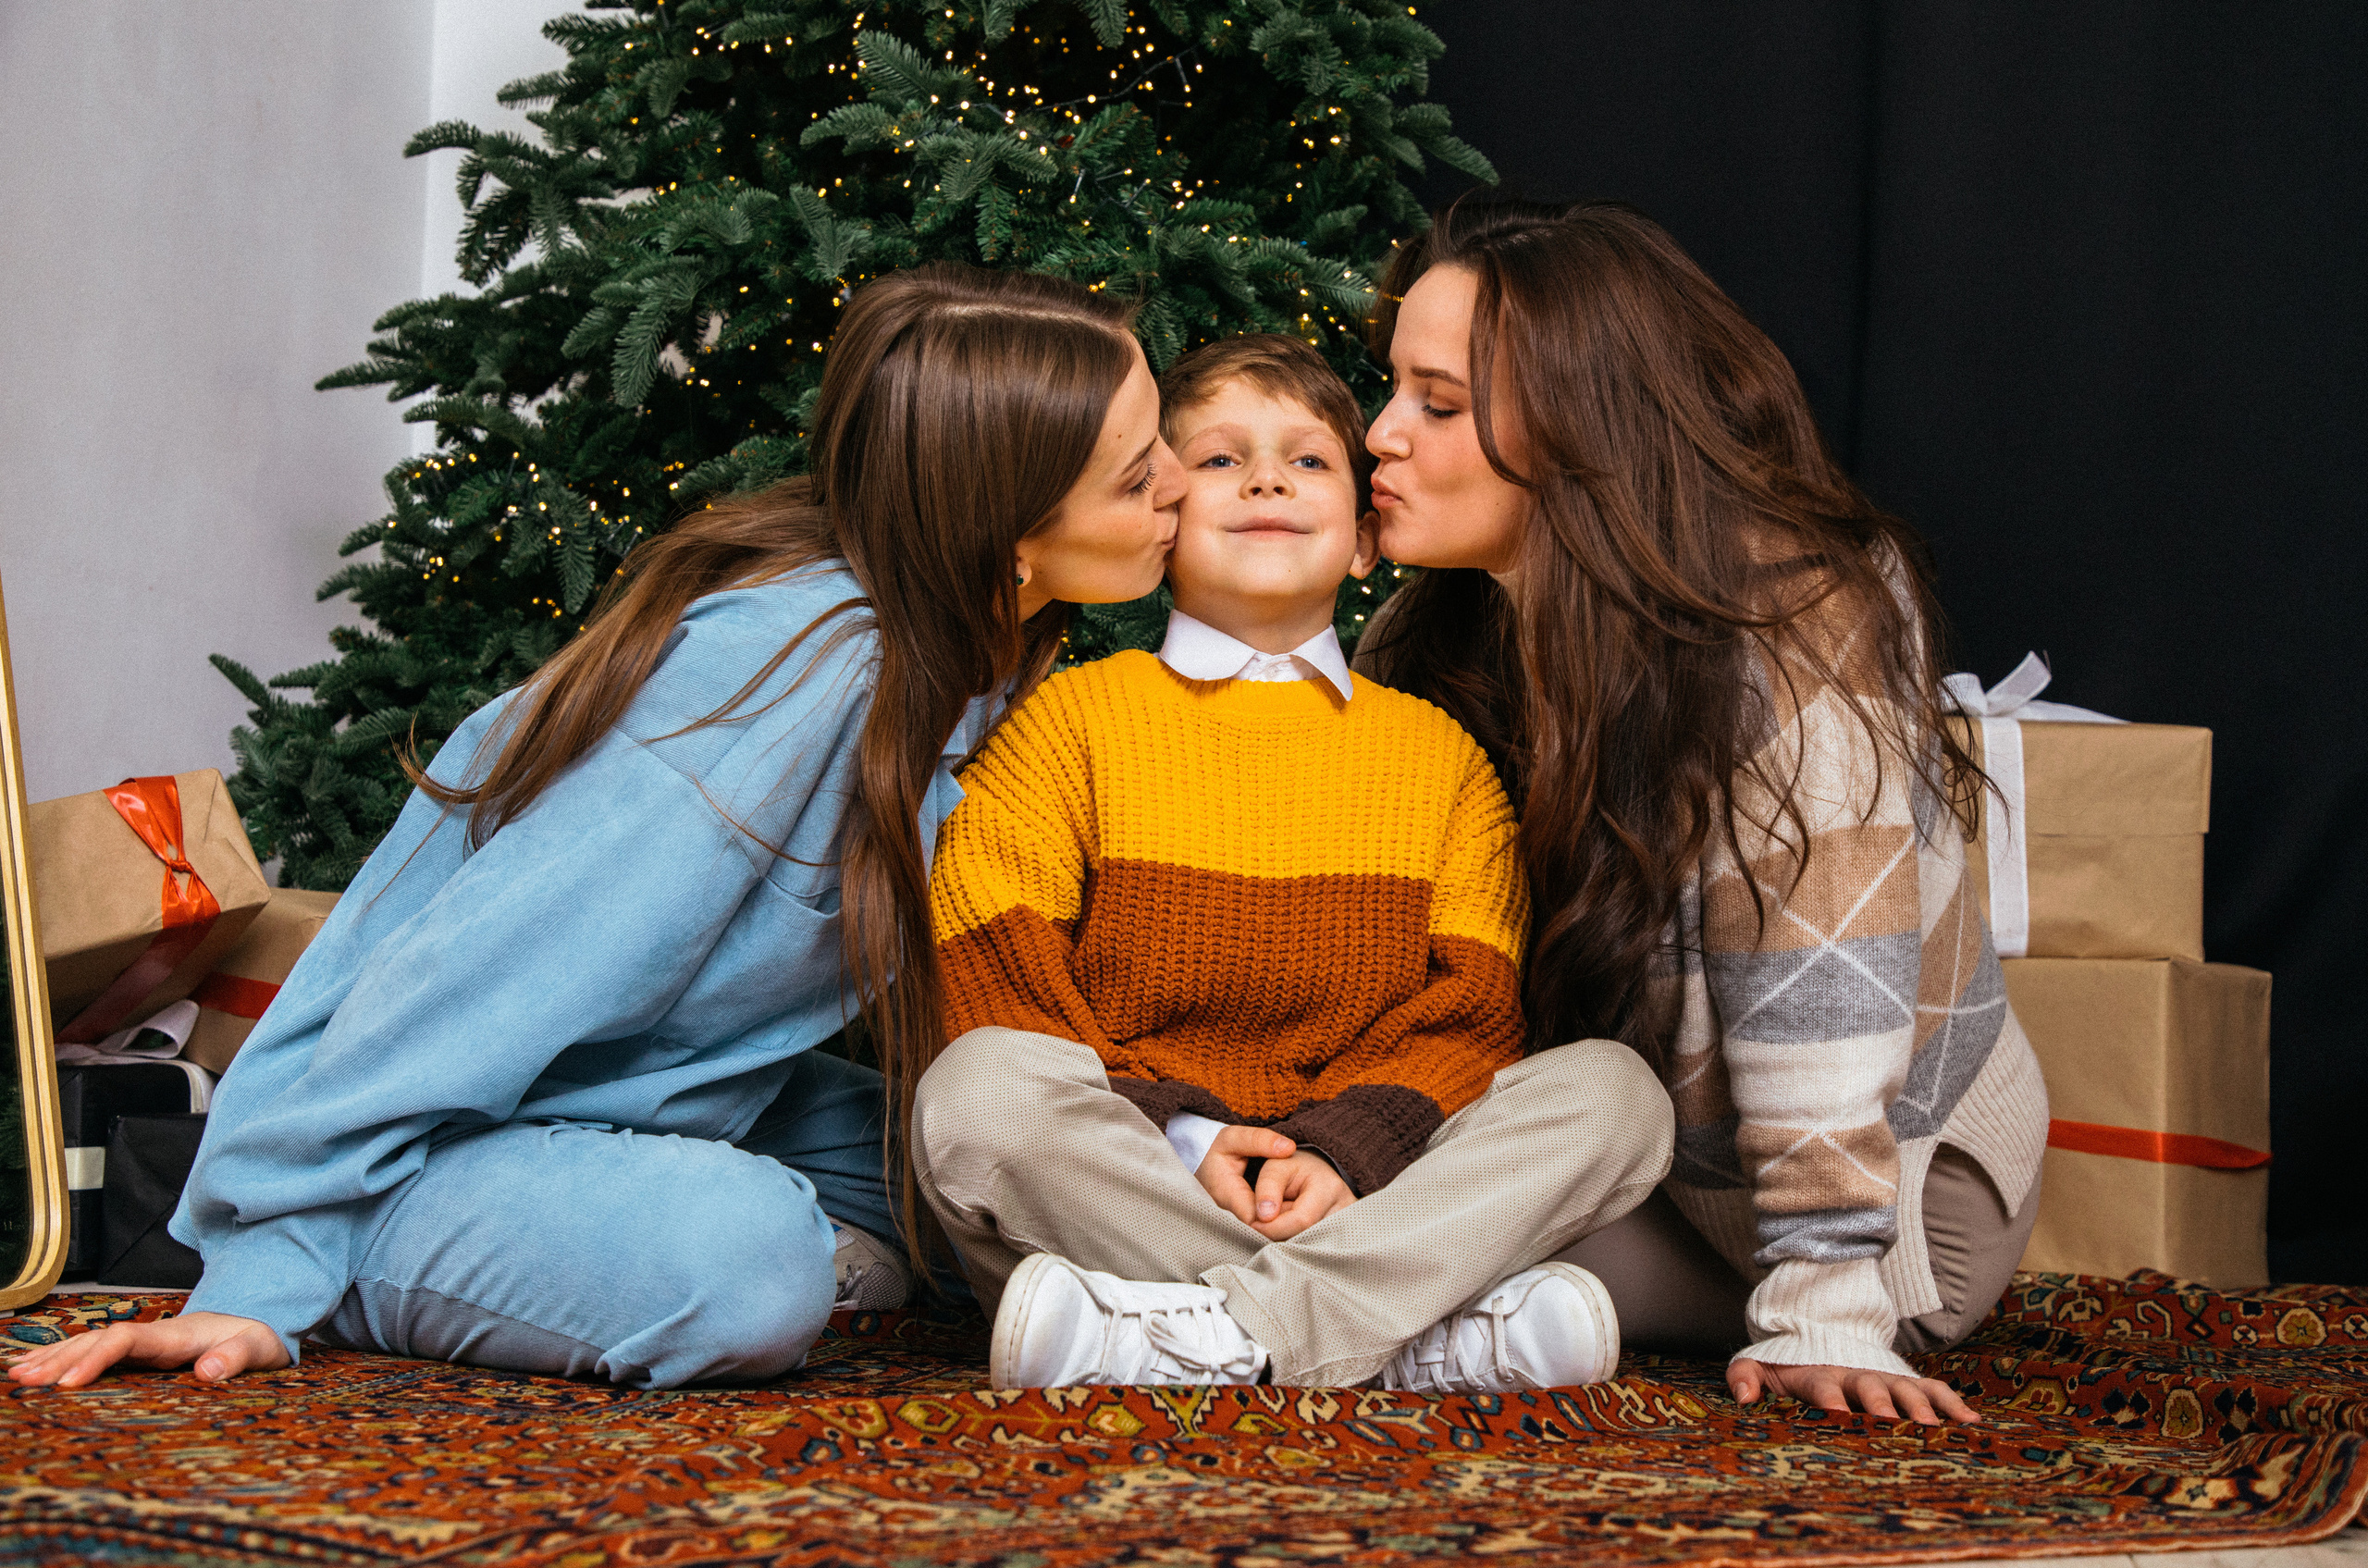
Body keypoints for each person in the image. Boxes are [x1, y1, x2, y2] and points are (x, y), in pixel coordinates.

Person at [9, 264, 1187, 1393]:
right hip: (416, 1141)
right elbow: (465, 985)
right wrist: (265, 1276)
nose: (1183, 486)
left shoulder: (980, 654)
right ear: (1006, 531)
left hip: (656, 1101)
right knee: (747, 1271)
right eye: (1139, 478)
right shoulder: (797, 680)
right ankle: (356, 1256)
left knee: (1011, 1172)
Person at [1353, 196, 2050, 1426]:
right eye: (1390, 390)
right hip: (1632, 1151)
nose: (1377, 435)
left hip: (1886, 1213)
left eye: (1438, 405)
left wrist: (1826, 1306)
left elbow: (1824, 1003)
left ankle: (1279, 1327)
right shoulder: (1432, 632)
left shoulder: (1789, 633)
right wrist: (1278, 616)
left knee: (1370, 1250)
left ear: (1583, 426)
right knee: (1310, 1206)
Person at [913, 333, 1673, 1393]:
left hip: (1371, 1172)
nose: (1266, 479)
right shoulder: (1067, 724)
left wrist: (1342, 1153)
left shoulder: (1442, 757)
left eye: (1308, 460)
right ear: (1163, 518)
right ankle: (1407, 1337)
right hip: (1141, 1175)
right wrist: (1186, 1140)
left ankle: (1205, 1336)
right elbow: (998, 978)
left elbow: (1471, 1018)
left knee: (1615, 1095)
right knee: (976, 1091)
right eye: (1221, 459)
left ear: (1364, 539)